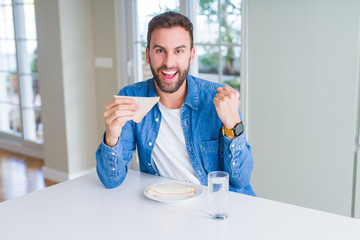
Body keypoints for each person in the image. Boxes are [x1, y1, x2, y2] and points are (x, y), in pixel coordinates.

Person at [95, 11, 255, 196]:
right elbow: (110, 181)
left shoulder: (218, 99)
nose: (169, 62)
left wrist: (233, 126)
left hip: (220, 206)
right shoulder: (131, 98)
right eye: (160, 50)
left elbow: (240, 179)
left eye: (178, 51)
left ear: (191, 55)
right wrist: (112, 137)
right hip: (163, 206)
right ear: (148, 55)